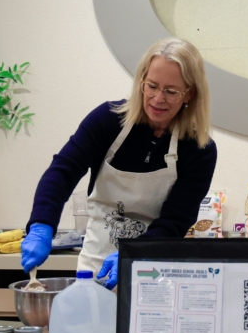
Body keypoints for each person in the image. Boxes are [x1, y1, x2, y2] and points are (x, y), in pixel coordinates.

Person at [20, 39, 217, 288]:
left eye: (171, 91)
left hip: (153, 264)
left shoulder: (199, 149)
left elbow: (175, 220)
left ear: (189, 93)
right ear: (141, 82)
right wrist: (42, 224)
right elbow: (63, 171)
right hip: (96, 258)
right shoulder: (108, 121)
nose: (157, 98)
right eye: (152, 86)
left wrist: (135, 254)